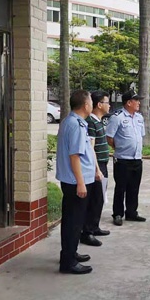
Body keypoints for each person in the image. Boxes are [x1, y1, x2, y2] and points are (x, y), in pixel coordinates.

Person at [56, 90, 102, 275]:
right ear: (85, 105)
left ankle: (70, 253)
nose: (92, 104)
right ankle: (68, 262)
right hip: (75, 181)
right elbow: (74, 156)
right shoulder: (75, 125)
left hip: (76, 180)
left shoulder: (74, 122)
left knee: (74, 220)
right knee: (73, 222)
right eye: (91, 101)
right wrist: (81, 183)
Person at [106, 90, 147, 226]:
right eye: (136, 100)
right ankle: (118, 214)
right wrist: (118, 148)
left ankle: (131, 212)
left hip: (137, 158)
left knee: (134, 188)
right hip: (122, 159)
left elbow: (140, 136)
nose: (139, 103)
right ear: (129, 102)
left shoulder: (139, 117)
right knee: (121, 188)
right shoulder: (117, 117)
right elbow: (109, 137)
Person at [80, 90, 112, 247]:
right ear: (99, 105)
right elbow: (91, 148)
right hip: (96, 166)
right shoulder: (91, 122)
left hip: (103, 165)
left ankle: (94, 226)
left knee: (99, 198)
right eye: (107, 102)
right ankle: (87, 233)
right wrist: (96, 170)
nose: (109, 105)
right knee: (94, 199)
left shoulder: (99, 121)